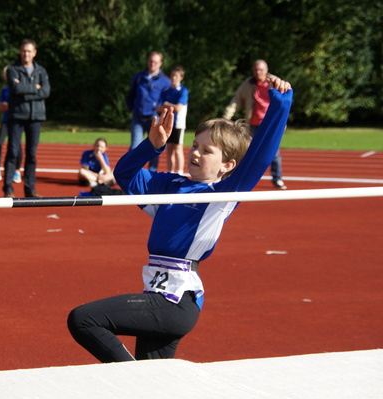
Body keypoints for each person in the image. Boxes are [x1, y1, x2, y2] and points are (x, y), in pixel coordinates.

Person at [68, 77, 293, 362]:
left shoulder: (222, 195)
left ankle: (130, 374)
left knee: (83, 319)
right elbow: (124, 175)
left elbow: (259, 158)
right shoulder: (170, 185)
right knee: (156, 381)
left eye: (207, 150)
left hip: (176, 302)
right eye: (194, 145)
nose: (195, 152)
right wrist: (151, 146)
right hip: (158, 293)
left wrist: (280, 104)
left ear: (228, 166)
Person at [223, 59, 287, 189]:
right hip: (252, 124)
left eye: (261, 70)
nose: (258, 72)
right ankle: (240, 178)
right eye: (256, 70)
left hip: (270, 125)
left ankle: (277, 179)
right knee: (245, 150)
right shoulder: (248, 84)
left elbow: (284, 103)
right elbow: (236, 100)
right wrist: (226, 117)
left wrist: (281, 122)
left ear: (266, 70)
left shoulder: (275, 83)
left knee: (273, 153)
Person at [2, 39, 50, 197]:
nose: (26, 54)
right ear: (19, 52)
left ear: (34, 53)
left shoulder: (41, 71)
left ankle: (30, 188)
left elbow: (46, 92)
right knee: (13, 152)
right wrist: (34, 89)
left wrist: (25, 92)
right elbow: (15, 89)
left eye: (29, 51)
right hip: (17, 116)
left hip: (35, 117)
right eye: (23, 51)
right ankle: (8, 188)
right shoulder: (13, 70)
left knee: (32, 154)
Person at [126, 51, 171, 172]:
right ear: (147, 61)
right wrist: (131, 108)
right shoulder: (139, 77)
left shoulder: (166, 81)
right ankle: (131, 173)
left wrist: (163, 111)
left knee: (154, 147)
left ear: (160, 64)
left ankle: (152, 174)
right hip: (138, 116)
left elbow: (168, 100)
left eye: (155, 62)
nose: (152, 64)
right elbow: (131, 94)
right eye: (151, 61)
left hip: (154, 117)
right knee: (135, 147)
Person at [157, 65, 189, 174]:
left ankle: (179, 172)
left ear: (181, 77)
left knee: (178, 148)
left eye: (176, 76)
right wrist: (169, 106)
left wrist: (166, 104)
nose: (173, 78)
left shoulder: (182, 91)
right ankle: (170, 172)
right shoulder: (165, 90)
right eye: (172, 75)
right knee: (169, 149)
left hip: (178, 124)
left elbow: (178, 108)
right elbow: (158, 107)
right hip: (167, 123)